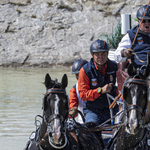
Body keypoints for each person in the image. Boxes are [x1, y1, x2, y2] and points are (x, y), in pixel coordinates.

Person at [114, 5, 150, 123]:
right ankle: (124, 118)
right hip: (138, 75)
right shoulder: (131, 35)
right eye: (144, 21)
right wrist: (124, 52)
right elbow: (116, 56)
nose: (147, 24)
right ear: (139, 21)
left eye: (149, 21)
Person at [77, 39, 119, 125]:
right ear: (92, 55)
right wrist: (100, 90)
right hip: (92, 111)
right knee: (91, 131)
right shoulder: (85, 71)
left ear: (107, 54)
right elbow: (83, 95)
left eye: (103, 53)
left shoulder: (115, 67)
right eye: (97, 54)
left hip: (112, 109)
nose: (101, 57)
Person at [69, 59, 88, 123]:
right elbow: (72, 107)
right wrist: (71, 112)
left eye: (80, 74)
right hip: (82, 123)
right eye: (76, 75)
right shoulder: (73, 90)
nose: (79, 77)